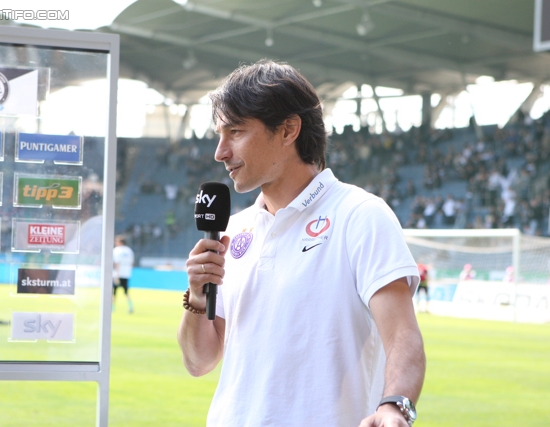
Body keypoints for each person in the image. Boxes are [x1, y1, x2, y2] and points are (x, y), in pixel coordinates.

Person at [177, 60, 425, 427]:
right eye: (219, 135)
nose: (220, 152)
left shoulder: (360, 215)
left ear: (288, 129)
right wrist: (197, 298)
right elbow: (199, 362)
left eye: (235, 132)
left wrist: (394, 405)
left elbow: (403, 335)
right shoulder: (235, 229)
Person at [113, 235, 134, 313]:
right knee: (126, 292)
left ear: (120, 242)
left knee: (113, 292)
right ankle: (130, 306)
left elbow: (117, 263)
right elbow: (131, 263)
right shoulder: (129, 251)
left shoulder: (116, 250)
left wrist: (117, 276)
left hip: (117, 274)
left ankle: (112, 307)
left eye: (116, 241)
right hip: (126, 274)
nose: (115, 243)